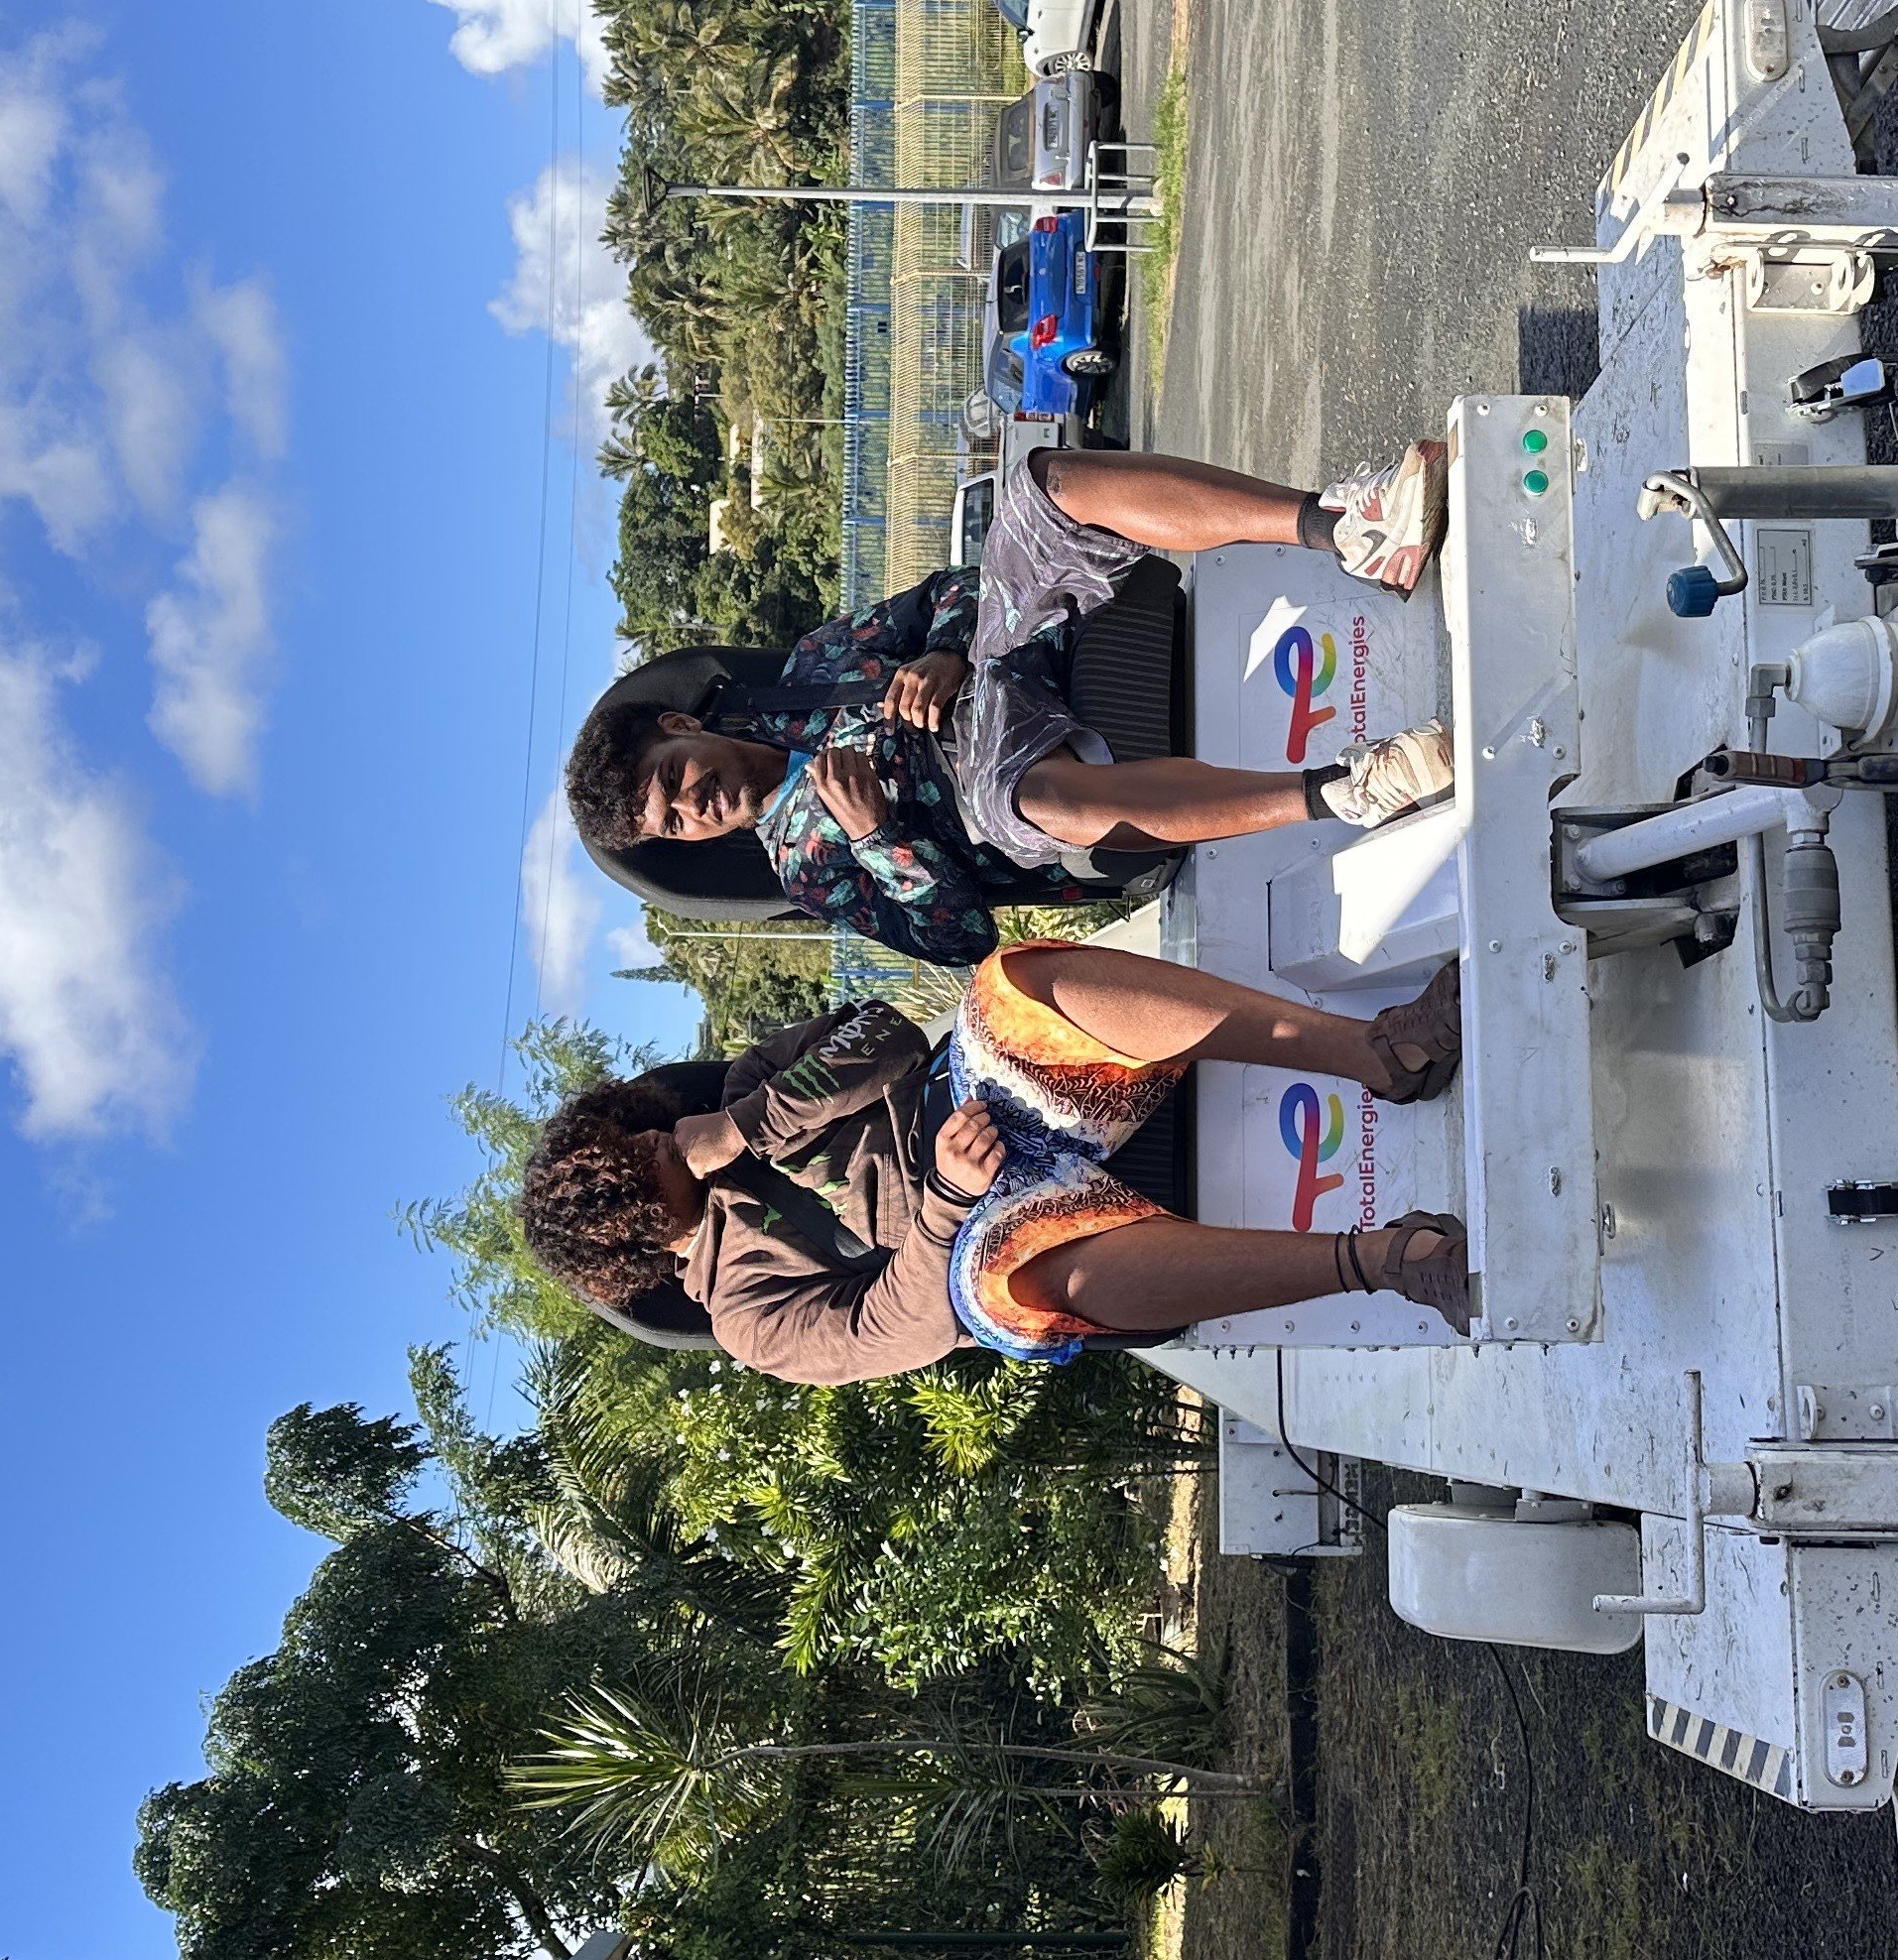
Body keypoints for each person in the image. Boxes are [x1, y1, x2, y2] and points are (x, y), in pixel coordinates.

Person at [563, 439, 1460, 966]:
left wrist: (946, 651)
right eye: (675, 823)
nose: (695, 804)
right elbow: (958, 938)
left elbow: (953, 591)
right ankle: (1347, 790)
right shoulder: (807, 868)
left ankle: (1351, 530)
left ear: (682, 728)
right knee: (1028, 800)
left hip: (1001, 658)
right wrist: (879, 836)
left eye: (674, 778)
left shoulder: (805, 669)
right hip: (986, 783)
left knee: (1042, 486)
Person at [518, 945, 1472, 1383]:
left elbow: (884, 1034)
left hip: (987, 1102)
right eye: (628, 1165)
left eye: (627, 1132)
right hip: (971, 1234)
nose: (647, 1140)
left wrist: (745, 1126)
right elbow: (893, 1330)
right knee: (1006, 1285)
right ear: (631, 1227)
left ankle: (1378, 1052)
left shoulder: (740, 1092)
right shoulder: (745, 1320)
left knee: (1009, 985)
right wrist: (943, 1200)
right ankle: (1386, 1259)